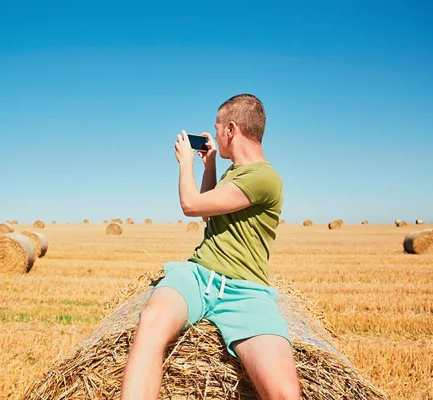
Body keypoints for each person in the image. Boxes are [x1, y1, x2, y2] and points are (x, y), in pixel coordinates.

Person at [121, 94, 300, 400]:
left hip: (245, 291)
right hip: (198, 275)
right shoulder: (236, 172)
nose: (214, 136)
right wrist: (209, 165)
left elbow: (191, 205)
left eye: (217, 129)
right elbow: (207, 211)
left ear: (231, 129)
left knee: (284, 393)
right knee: (151, 324)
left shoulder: (264, 178)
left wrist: (185, 163)